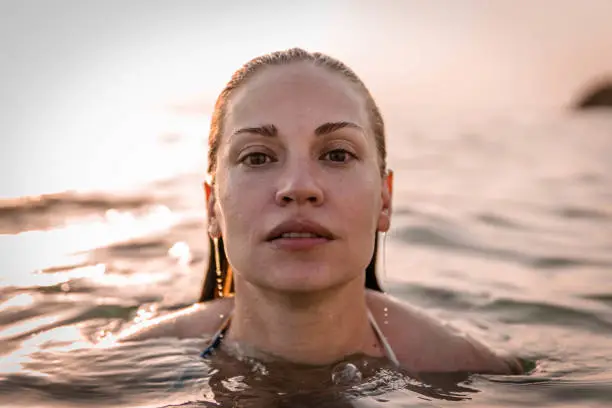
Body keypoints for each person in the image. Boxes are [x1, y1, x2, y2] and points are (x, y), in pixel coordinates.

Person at [118, 48, 523, 375]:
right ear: (212, 207)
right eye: (258, 158)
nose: (299, 188)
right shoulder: (124, 368)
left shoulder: (467, 374)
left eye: (337, 154)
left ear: (385, 199)